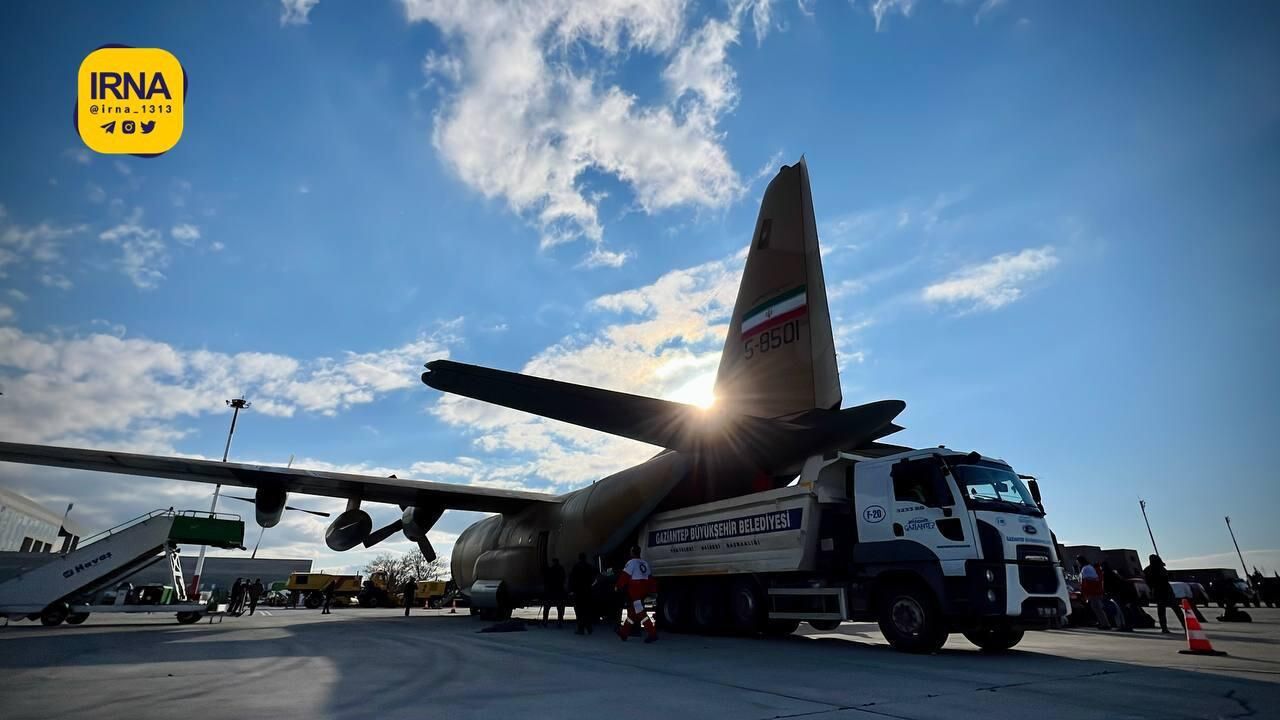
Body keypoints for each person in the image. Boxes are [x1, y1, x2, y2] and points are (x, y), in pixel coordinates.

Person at [616, 545, 657, 643]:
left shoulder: (631, 563)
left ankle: (652, 633)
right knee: (633, 612)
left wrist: (618, 586)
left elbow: (625, 576)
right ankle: (624, 632)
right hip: (644, 589)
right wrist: (653, 590)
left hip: (636, 589)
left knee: (640, 612)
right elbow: (650, 578)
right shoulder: (644, 563)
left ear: (632, 552)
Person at [1143, 554, 1184, 634]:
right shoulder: (1161, 568)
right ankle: (1185, 627)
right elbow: (1167, 577)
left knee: (1161, 611)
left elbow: (1147, 581)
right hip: (1167, 591)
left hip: (1158, 592)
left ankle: (1164, 628)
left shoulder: (1148, 569)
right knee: (1177, 610)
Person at [1077, 556, 1110, 629]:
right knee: (1096, 608)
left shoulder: (1086, 568)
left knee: (1097, 608)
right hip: (1094, 592)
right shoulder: (1088, 568)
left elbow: (1089, 581)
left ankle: (1105, 624)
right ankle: (1103, 623)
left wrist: (1086, 591)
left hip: (1093, 592)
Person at [569, 553, 598, 635]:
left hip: (579, 592)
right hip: (588, 591)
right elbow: (595, 575)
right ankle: (589, 628)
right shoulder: (589, 567)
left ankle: (581, 628)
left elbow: (572, 579)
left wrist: (571, 590)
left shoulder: (576, 567)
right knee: (587, 610)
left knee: (579, 611)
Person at [1100, 563, 1132, 632]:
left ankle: (1124, 625)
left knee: (1120, 610)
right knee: (1123, 609)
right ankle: (1126, 625)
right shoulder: (1114, 573)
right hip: (1120, 592)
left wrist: (1106, 593)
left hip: (1114, 593)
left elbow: (1105, 585)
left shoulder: (1105, 574)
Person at [542, 558, 566, 628]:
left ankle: (545, 621)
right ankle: (560, 622)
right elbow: (563, 579)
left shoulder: (550, 570)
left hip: (551, 591)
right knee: (560, 608)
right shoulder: (561, 569)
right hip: (559, 591)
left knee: (547, 607)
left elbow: (546, 580)